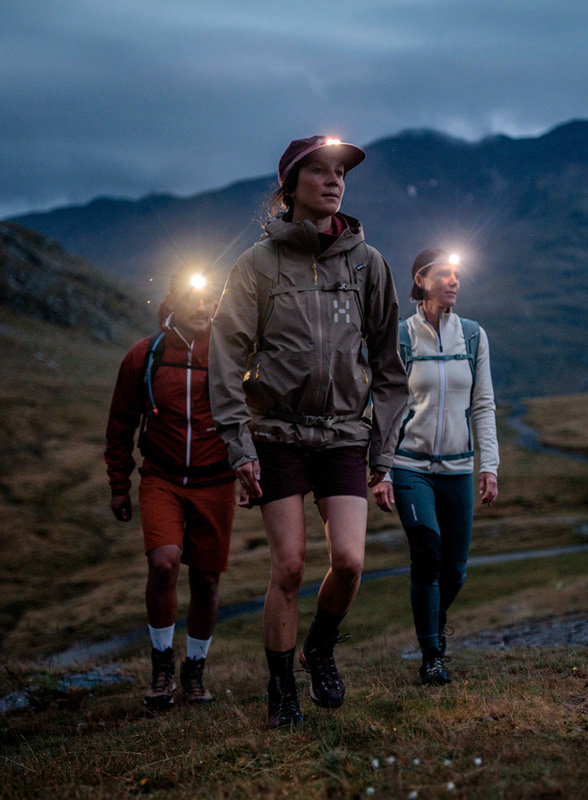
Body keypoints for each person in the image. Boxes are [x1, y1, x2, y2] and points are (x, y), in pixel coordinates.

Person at [208, 135, 406, 729]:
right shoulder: (256, 266)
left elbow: (390, 366)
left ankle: (319, 647)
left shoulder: (368, 264)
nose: (333, 179)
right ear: (289, 187)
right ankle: (281, 691)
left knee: (347, 561)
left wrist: (384, 447)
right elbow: (226, 361)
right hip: (277, 434)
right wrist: (239, 447)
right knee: (289, 567)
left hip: (345, 433)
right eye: (318, 171)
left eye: (340, 171)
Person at [104, 266, 234, 710]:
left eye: (210, 299)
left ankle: (193, 672)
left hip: (217, 482)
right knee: (164, 564)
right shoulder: (145, 356)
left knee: (207, 582)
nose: (203, 307)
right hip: (161, 479)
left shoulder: (230, 354)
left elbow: (254, 417)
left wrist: (256, 471)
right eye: (194, 299)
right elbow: (120, 425)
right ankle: (162, 665)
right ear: (173, 303)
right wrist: (119, 485)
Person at [372, 248, 499, 686]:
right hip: (410, 468)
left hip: (459, 470)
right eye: (443, 273)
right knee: (427, 556)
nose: (453, 281)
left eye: (457, 274)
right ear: (420, 280)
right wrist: (383, 471)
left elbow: (483, 404)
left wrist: (490, 466)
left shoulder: (474, 336)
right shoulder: (402, 337)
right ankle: (432, 656)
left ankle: (433, 625)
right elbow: (384, 408)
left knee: (455, 570)